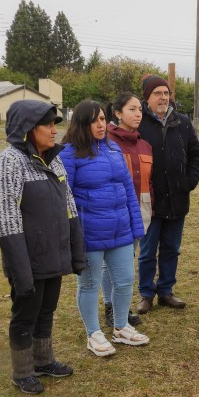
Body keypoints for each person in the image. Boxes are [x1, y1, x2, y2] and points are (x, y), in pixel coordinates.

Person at [0, 100, 85, 395]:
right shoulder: (9, 162)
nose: (55, 130)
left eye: (55, 124)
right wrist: (20, 267)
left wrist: (75, 249)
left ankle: (44, 360)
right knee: (26, 312)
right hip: (27, 256)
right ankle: (22, 371)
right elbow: (5, 218)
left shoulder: (53, 160)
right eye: (48, 125)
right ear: (28, 129)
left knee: (47, 308)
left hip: (53, 253)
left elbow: (69, 206)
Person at [60, 100, 149, 356]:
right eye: (95, 121)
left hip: (120, 231)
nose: (101, 125)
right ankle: (94, 333)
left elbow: (128, 191)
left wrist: (135, 227)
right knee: (89, 284)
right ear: (81, 123)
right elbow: (65, 198)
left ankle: (121, 327)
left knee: (124, 280)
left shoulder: (112, 148)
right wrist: (74, 234)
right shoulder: (69, 153)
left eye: (102, 119)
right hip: (89, 234)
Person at [134, 74, 199, 315]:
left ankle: (165, 291)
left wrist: (189, 182)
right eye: (157, 93)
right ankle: (146, 294)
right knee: (148, 250)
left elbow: (195, 154)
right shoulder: (138, 122)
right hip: (149, 201)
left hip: (177, 198)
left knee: (172, 248)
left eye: (166, 93)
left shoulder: (182, 122)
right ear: (147, 97)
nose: (163, 97)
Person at [103, 92, 153, 327]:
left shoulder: (144, 145)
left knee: (127, 260)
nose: (138, 113)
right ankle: (110, 307)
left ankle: (121, 305)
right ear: (117, 113)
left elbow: (148, 180)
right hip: (112, 211)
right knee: (109, 263)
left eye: (140, 109)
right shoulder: (106, 141)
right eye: (132, 109)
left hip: (138, 211)